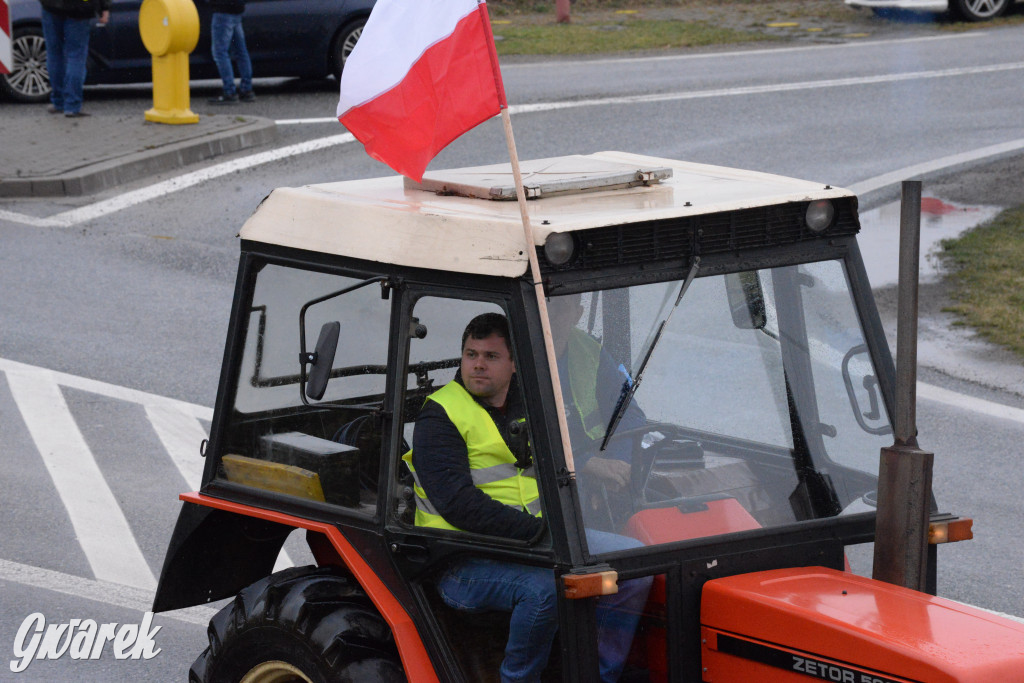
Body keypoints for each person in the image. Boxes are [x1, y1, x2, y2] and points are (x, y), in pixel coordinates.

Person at [404, 312, 652, 683]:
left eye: (490, 357)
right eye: (471, 355)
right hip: (463, 558)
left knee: (634, 567)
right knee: (543, 592)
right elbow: (459, 505)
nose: (478, 366)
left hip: (533, 546)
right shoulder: (440, 417)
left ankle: (597, 675)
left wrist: (586, 482)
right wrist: (542, 535)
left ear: (515, 364)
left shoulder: (534, 405)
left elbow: (560, 461)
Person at [38, 0, 109, 117]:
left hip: (51, 6)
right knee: (76, 56)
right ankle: (72, 105)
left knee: (54, 54)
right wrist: (104, 7)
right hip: (80, 9)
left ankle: (58, 102)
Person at [206, 0, 254, 105]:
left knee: (220, 52)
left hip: (222, 11)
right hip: (237, 10)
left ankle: (229, 91)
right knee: (241, 52)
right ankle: (247, 89)